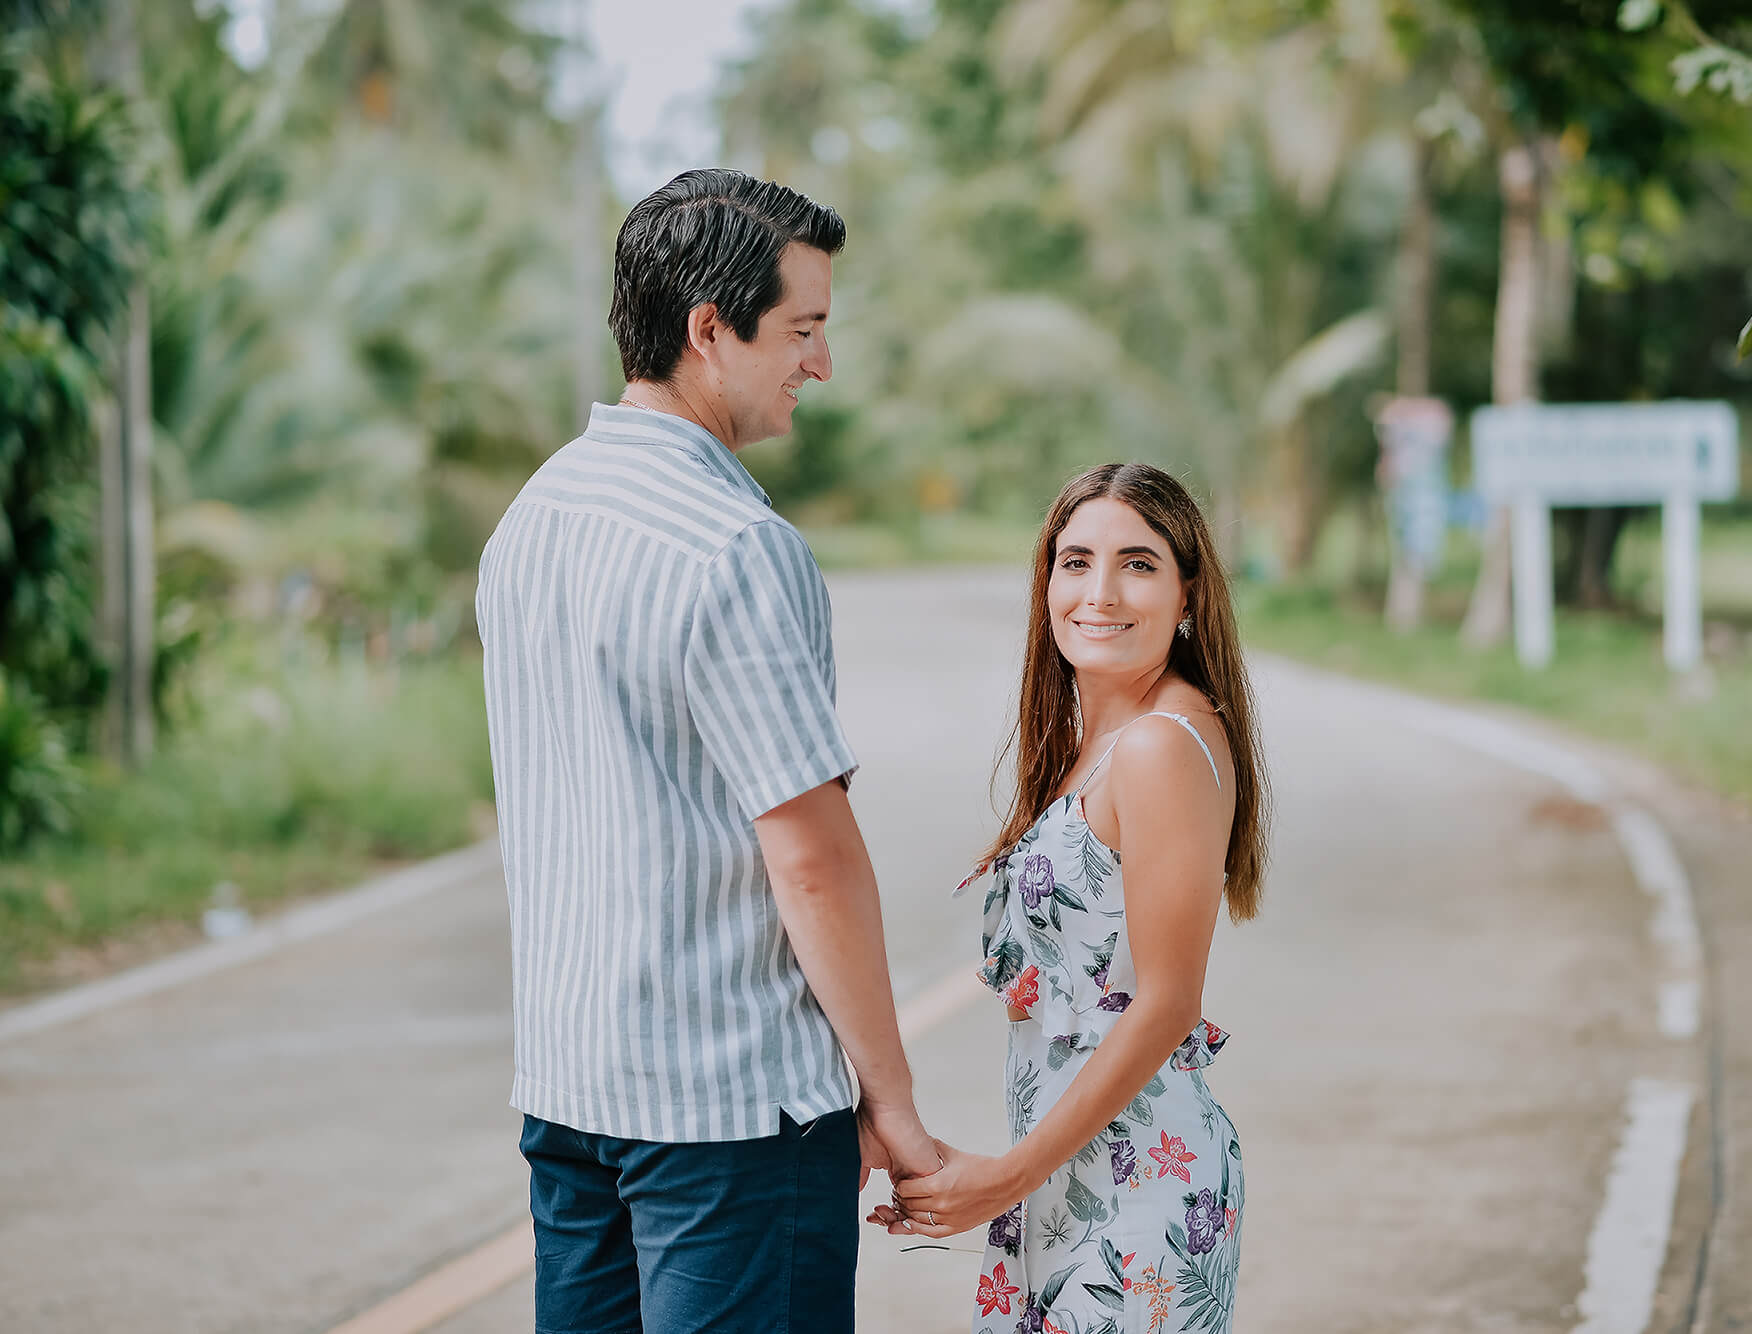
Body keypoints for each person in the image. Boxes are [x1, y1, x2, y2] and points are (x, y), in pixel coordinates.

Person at [475, 168, 935, 1334]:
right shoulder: (732, 543)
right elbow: (811, 856)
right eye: (802, 330)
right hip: (731, 1118)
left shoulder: (534, 515)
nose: (820, 364)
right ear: (706, 330)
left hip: (572, 1097)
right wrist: (890, 1097)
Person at [872, 463, 1269, 1334]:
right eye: (1075, 561)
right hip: (1073, 1178)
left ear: (1188, 592)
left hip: (1136, 1188)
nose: (1100, 592)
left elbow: (1167, 1003)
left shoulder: (1160, 744)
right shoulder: (1100, 740)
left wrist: (1007, 1178)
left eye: (1137, 563)